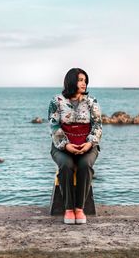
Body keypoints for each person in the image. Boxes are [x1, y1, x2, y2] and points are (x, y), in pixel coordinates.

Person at [48, 68, 102, 225]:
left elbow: (98, 126)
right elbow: (54, 126)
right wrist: (66, 145)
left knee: (85, 165)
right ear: (71, 81)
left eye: (85, 80)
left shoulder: (92, 102)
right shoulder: (56, 101)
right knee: (66, 165)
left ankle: (79, 208)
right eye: (80, 80)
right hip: (61, 146)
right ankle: (69, 209)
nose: (83, 83)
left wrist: (89, 143)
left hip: (87, 145)